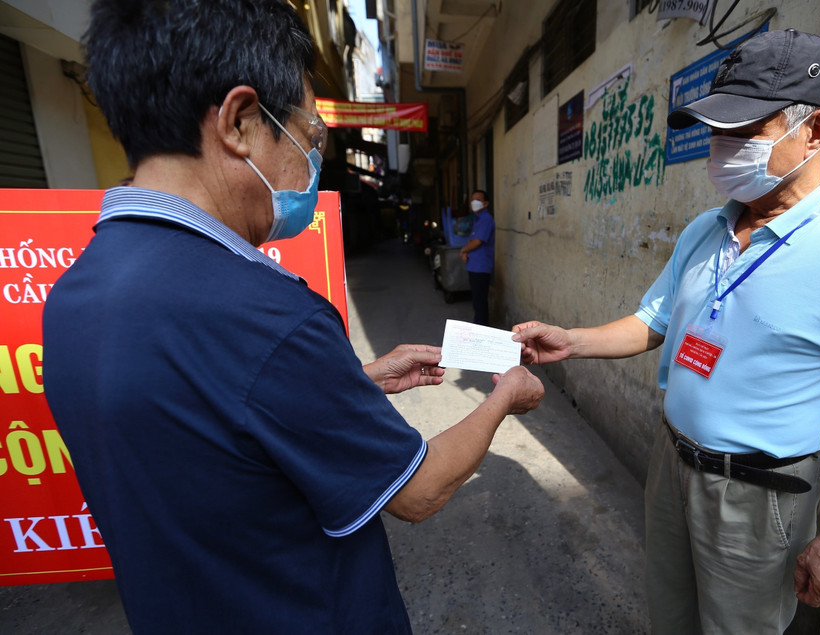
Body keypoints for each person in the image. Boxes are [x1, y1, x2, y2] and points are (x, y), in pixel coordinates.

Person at [41, 2, 543, 633]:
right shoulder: (267, 314)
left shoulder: (73, 295)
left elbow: (210, 428)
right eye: (310, 137)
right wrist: (503, 398)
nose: (313, 161)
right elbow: (418, 492)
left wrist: (350, 379)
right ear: (241, 123)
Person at [512, 29, 820, 633]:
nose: (721, 147)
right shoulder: (705, 231)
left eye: (744, 132)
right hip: (671, 467)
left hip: (759, 497)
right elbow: (652, 322)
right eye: (716, 130)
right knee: (672, 620)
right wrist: (572, 340)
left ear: (815, 131)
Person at [460, 189, 495, 325]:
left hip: (481, 267)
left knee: (480, 302)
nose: (474, 202)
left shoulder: (486, 219)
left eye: (478, 200)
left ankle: (481, 330)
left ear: (485, 204)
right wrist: (466, 251)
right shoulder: (477, 219)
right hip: (474, 266)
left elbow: (478, 241)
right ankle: (480, 327)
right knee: (477, 300)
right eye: (472, 199)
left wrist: (463, 249)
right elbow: (472, 240)